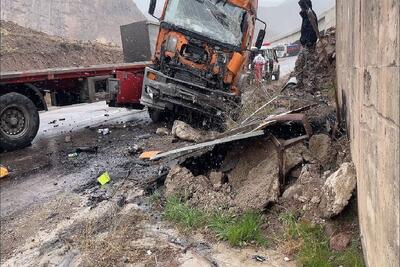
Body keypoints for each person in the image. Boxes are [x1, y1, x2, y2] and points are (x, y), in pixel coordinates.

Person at [295, 0, 319, 91]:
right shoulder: (305, 16)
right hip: (305, 45)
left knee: (310, 65)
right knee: (298, 64)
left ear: (306, 6)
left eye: (302, 7)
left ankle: (311, 86)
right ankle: (299, 83)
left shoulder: (311, 15)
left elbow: (313, 30)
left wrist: (310, 41)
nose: (301, 8)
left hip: (310, 45)